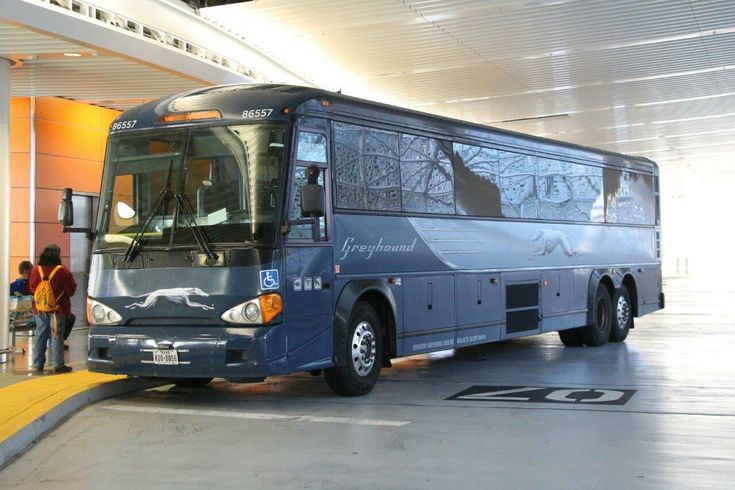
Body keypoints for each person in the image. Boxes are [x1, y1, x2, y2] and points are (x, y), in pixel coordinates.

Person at [29, 245, 77, 374]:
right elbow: (71, 290)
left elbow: (32, 289)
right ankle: (58, 365)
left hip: (39, 309)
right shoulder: (62, 271)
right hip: (58, 309)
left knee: (40, 335)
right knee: (56, 336)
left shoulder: (35, 270)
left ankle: (37, 364)